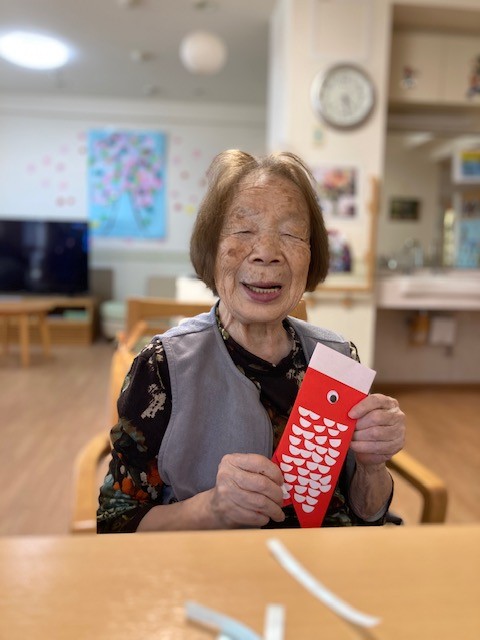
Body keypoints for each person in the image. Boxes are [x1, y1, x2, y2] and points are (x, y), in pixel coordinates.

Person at [97, 149, 405, 533]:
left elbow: (366, 516)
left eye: (290, 234)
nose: (267, 254)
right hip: (212, 567)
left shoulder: (337, 358)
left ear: (312, 255)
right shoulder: (162, 367)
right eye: (243, 230)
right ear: (211, 250)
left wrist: (373, 465)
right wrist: (213, 509)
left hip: (322, 563)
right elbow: (116, 525)